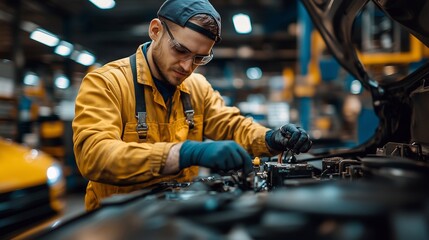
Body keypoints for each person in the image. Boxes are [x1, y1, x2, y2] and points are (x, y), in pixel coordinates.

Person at [72, 0, 312, 211]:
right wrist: (184, 153)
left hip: (178, 215)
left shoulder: (197, 87)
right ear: (155, 30)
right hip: (118, 221)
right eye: (180, 50)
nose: (187, 67)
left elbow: (231, 126)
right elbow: (95, 155)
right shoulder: (107, 83)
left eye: (199, 58)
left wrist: (271, 138)